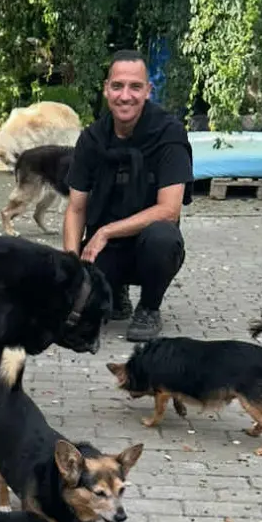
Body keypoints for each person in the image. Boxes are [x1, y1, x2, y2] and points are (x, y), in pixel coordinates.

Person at [62, 50, 192, 343]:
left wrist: (105, 231)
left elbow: (169, 210)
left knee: (163, 237)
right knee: (77, 301)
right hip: (104, 249)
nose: (125, 96)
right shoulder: (91, 139)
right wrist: (72, 269)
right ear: (106, 89)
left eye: (135, 87)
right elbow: (76, 208)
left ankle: (149, 307)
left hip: (150, 246)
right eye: (118, 86)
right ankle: (115, 293)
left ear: (148, 90)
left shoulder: (169, 134)